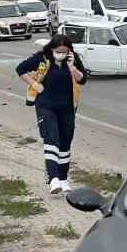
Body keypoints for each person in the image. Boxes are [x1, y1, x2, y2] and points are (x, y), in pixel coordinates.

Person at [16, 34, 88, 193]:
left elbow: (83, 79)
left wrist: (72, 67)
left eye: (64, 51)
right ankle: (53, 178)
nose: (61, 54)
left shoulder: (72, 59)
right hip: (46, 106)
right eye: (58, 51)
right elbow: (20, 69)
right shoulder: (42, 59)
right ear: (52, 48)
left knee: (65, 143)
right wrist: (34, 84)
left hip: (68, 108)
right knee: (52, 139)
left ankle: (63, 179)